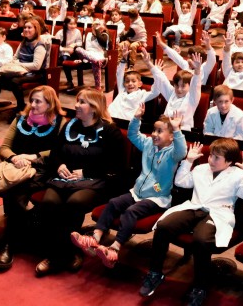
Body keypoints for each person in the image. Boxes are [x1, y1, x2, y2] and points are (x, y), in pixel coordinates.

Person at [139, 138, 243, 306]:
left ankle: (200, 287)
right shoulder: (200, 169)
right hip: (194, 207)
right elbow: (181, 182)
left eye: (217, 157)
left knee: (202, 240)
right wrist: (188, 161)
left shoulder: (238, 174)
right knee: (163, 226)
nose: (211, 160)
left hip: (218, 213)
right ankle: (155, 273)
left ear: (230, 161)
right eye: (211, 155)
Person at [71, 108, 187, 269]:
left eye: (160, 131)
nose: (154, 134)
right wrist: (136, 119)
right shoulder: (148, 144)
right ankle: (95, 237)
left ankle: (115, 247)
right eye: (154, 130)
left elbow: (182, 151)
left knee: (131, 211)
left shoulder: (172, 154)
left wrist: (176, 128)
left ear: (171, 137)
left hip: (156, 198)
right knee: (113, 203)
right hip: (137, 191)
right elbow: (133, 135)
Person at [0, 86, 65, 270]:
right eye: (31, 100)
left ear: (50, 104)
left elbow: (58, 151)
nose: (33, 105)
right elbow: (4, 147)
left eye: (38, 101)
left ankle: (9, 243)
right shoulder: (20, 119)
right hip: (13, 164)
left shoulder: (60, 123)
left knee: (16, 190)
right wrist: (14, 157)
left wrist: (31, 156)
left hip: (40, 168)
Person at [34, 88, 125, 276]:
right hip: (63, 177)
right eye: (77, 101)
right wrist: (59, 165)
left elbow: (116, 163)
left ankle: (59, 255)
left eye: (82, 102)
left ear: (94, 108)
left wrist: (85, 171)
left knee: (74, 203)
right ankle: (67, 253)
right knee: (49, 203)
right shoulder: (69, 125)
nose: (76, 105)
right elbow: (55, 153)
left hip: (94, 180)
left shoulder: (110, 131)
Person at [0, 20, 49, 116]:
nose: (26, 29)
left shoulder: (39, 45)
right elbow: (15, 57)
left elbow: (36, 66)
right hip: (21, 71)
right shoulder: (23, 43)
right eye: (25, 27)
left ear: (36, 29)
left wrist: (20, 65)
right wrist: (14, 64)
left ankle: (21, 106)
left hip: (36, 74)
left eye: (29, 27)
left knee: (14, 81)